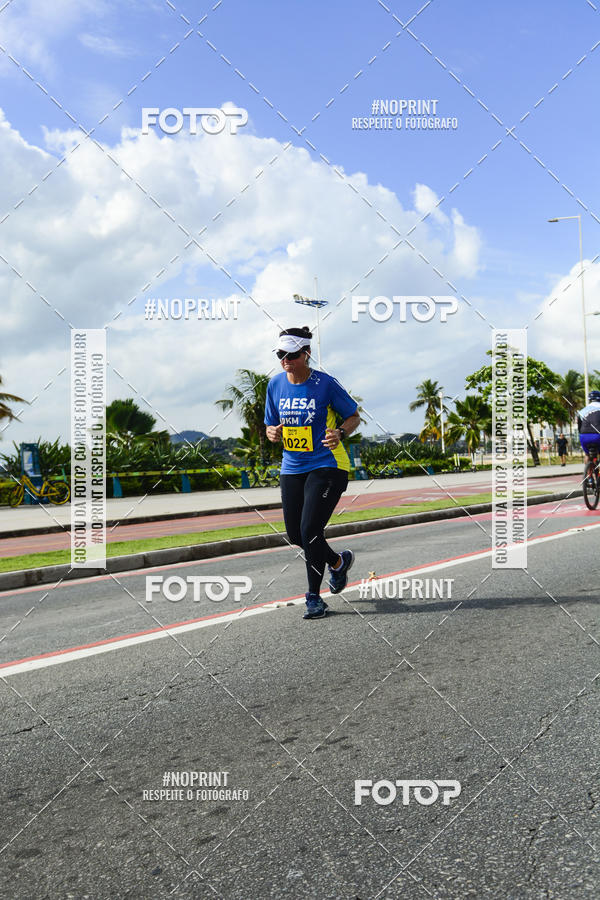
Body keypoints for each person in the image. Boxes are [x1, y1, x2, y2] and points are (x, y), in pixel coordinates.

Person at [265, 326, 361, 619]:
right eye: (281, 354)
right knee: (296, 534)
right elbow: (271, 425)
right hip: (292, 466)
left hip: (328, 465)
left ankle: (313, 597)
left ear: (306, 354)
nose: (285, 360)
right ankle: (336, 562)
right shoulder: (275, 385)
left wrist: (340, 433)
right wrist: (271, 432)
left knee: (310, 531)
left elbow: (353, 415)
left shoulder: (325, 384)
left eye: (291, 355)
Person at [577, 390, 600, 482]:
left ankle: (589, 477)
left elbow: (579, 427)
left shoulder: (582, 410)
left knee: (587, 454)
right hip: (598, 436)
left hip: (584, 436)